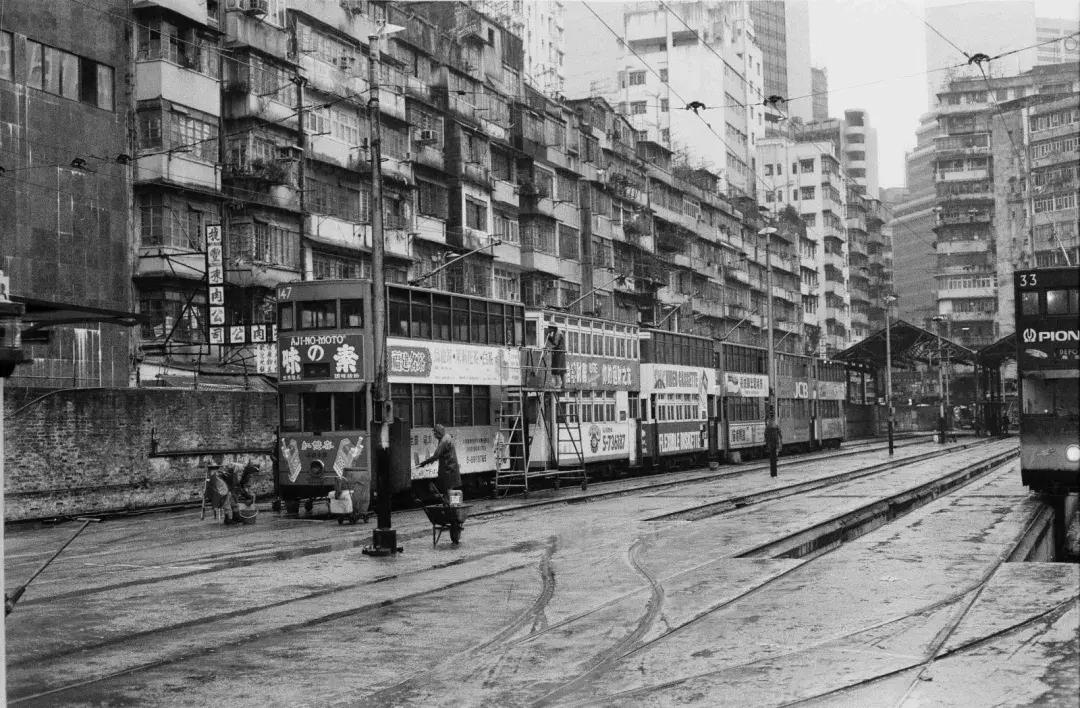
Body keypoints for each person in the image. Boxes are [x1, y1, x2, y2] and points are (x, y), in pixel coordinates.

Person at [417, 424, 461, 505]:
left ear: (439, 433)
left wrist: (424, 463)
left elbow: (436, 455)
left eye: (435, 433)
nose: (434, 435)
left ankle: (449, 506)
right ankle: (450, 505)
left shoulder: (443, 441)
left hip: (448, 468)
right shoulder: (447, 437)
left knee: (447, 488)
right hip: (450, 467)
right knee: (448, 488)